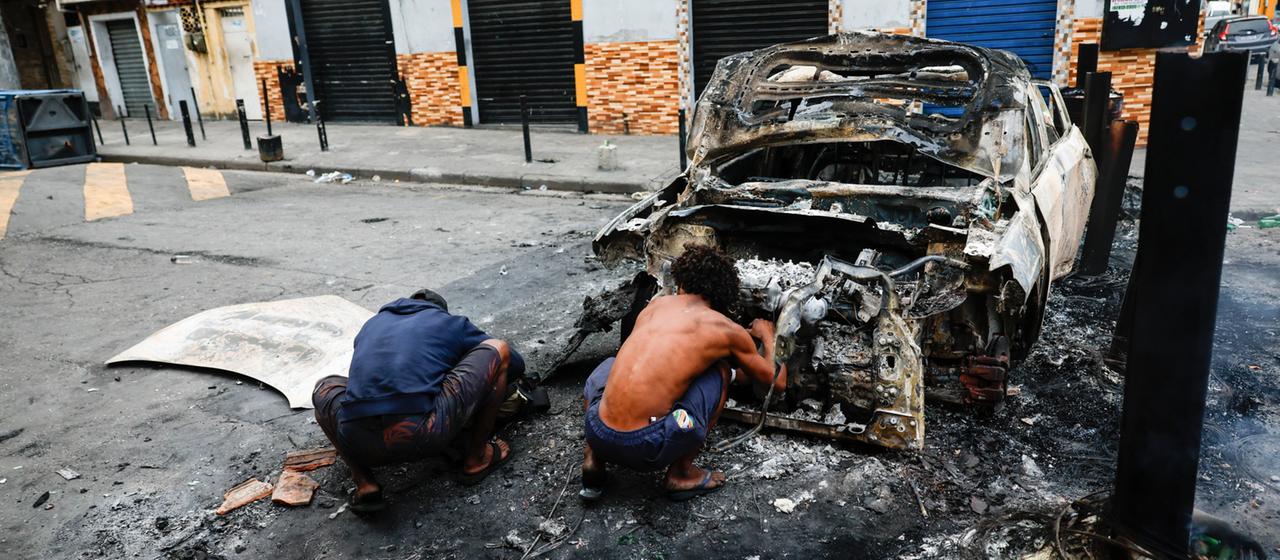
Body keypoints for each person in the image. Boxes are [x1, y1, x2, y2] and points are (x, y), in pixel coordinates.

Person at [580, 244, 785, 501]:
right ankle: (681, 473)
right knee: (720, 372)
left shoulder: (654, 307)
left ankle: (592, 457)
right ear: (722, 293)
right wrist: (769, 336)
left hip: (597, 430)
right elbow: (777, 383)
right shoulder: (726, 329)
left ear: (681, 282)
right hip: (647, 446)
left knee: (610, 366)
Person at [313, 289, 526, 512]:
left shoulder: (371, 325)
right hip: (422, 432)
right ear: (438, 309)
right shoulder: (448, 322)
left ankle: (365, 482)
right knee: (499, 349)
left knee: (325, 386)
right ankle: (477, 458)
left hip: (357, 439)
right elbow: (515, 364)